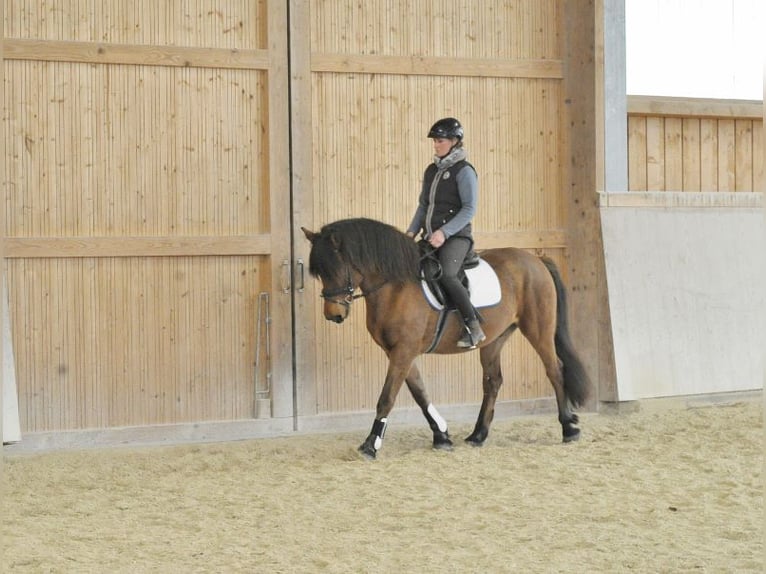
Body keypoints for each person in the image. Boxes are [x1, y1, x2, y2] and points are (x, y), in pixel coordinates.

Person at [406, 117, 485, 349]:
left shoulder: (464, 171)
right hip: (431, 236)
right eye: (435, 141)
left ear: (454, 141)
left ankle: (473, 326)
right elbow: (424, 205)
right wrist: (412, 231)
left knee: (448, 274)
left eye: (440, 141)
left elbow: (469, 208)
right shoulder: (432, 170)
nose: (436, 145)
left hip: (456, 237)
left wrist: (445, 232)